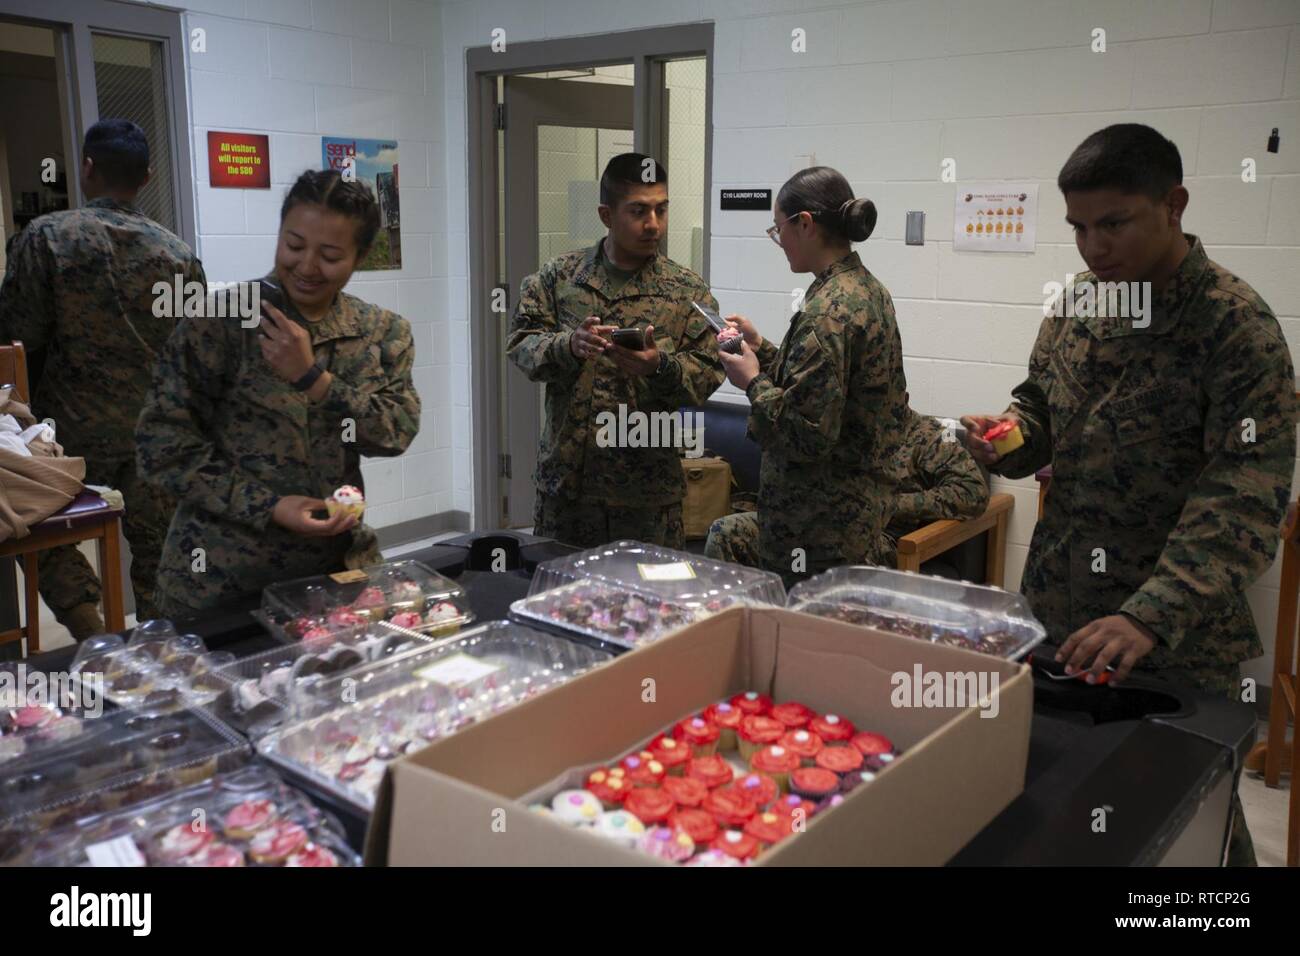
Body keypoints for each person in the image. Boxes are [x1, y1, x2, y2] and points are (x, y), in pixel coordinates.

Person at [960, 124, 1296, 866]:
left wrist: (1150, 615)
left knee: (1184, 818)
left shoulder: (1235, 328)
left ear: (1173, 205)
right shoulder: (1080, 305)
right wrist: (1008, 439)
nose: (1092, 247)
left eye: (1113, 224)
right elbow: (1040, 412)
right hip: (1061, 609)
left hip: (1168, 635)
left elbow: (1245, 498)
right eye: (1079, 227)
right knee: (1062, 798)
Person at [136, 169, 420, 616]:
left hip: (334, 574)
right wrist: (270, 507)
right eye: (294, 245)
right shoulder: (221, 321)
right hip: (220, 582)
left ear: (360, 256)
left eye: (329, 255)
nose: (307, 267)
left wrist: (313, 379)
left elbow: (395, 432)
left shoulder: (381, 332)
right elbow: (161, 447)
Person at [0, 118, 204, 636]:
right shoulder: (179, 255)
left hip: (68, 429)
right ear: (148, 176)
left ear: (87, 168)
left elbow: (17, 337)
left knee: (35, 524)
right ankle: (163, 652)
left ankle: (90, 628)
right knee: (160, 546)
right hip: (155, 431)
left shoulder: (46, 238)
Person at [506, 153, 724, 549]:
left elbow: (709, 370)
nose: (653, 224)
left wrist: (660, 367)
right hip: (569, 490)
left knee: (649, 604)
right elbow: (521, 344)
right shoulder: (559, 277)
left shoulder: (687, 290)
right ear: (607, 215)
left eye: (661, 209)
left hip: (647, 494)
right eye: (639, 211)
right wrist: (567, 345)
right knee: (563, 599)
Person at [706, 167, 907, 585]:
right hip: (855, 518)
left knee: (799, 640)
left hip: (817, 528)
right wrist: (760, 347)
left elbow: (806, 434)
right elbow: (825, 387)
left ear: (805, 224)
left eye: (779, 230)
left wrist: (751, 382)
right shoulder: (866, 289)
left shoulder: (827, 312)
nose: (779, 243)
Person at [879, 397, 989, 563]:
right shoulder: (841, 432)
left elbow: (973, 493)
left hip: (885, 541)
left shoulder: (934, 433)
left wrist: (892, 504)